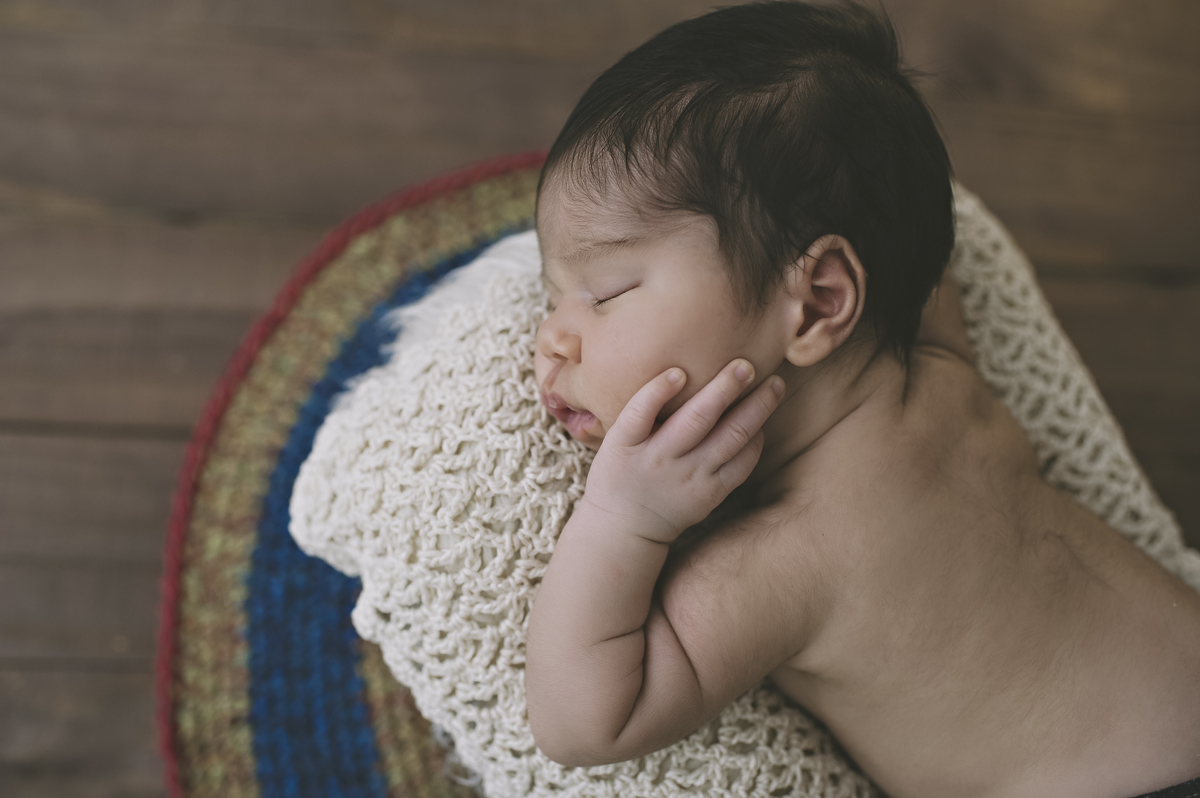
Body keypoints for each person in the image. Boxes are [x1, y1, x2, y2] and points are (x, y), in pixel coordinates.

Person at [522, 3, 1200, 797]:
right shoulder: (943, 374)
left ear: (816, 303)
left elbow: (581, 722)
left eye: (604, 293)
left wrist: (622, 519)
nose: (552, 337)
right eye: (551, 296)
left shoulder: (786, 562)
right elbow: (911, 227)